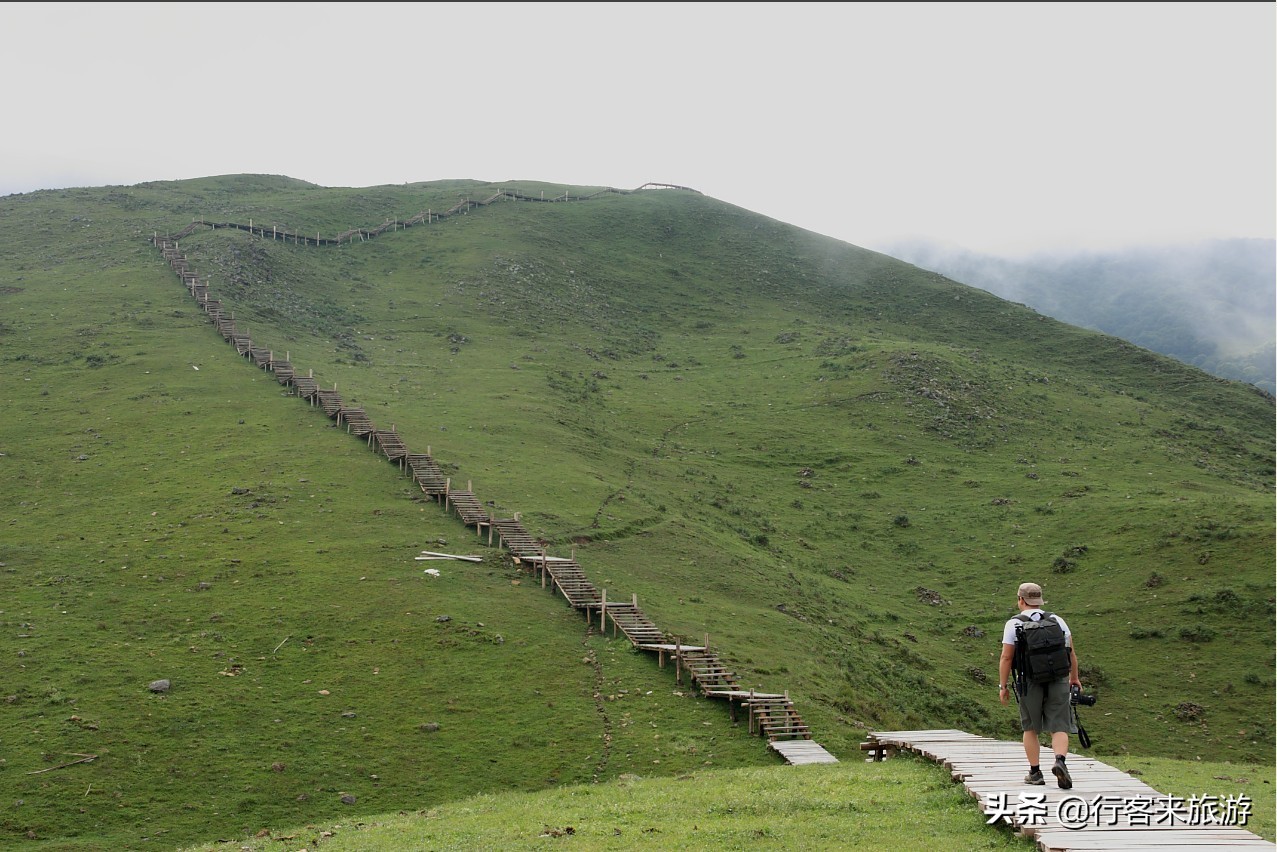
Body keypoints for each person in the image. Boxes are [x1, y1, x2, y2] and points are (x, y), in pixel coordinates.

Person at [998, 581, 1081, 788]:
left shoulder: (1014, 624)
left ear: (1021, 600)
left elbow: (1006, 658)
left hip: (1029, 681)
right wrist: (1074, 679)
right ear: (1039, 600)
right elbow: (1070, 652)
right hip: (1058, 678)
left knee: (1030, 728)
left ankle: (1035, 773)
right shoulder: (1058, 621)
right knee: (1059, 724)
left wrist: (1003, 686)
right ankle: (1060, 760)